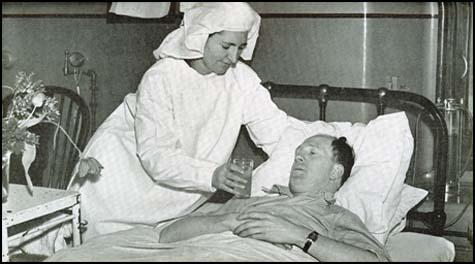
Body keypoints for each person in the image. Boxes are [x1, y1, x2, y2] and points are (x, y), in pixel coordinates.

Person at [69, 2, 289, 241]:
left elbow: (278, 132)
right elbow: (157, 155)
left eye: (241, 47)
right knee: (90, 244)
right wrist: (212, 175)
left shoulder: (241, 80)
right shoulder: (162, 77)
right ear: (199, 36)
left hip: (175, 198)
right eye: (226, 46)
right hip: (118, 180)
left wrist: (310, 162)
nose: (234, 57)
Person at [158, 135, 391, 262]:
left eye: (312, 153)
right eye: (298, 154)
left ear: (336, 172)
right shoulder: (249, 202)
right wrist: (230, 221)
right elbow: (167, 234)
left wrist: (298, 235)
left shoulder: (333, 215)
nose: (299, 158)